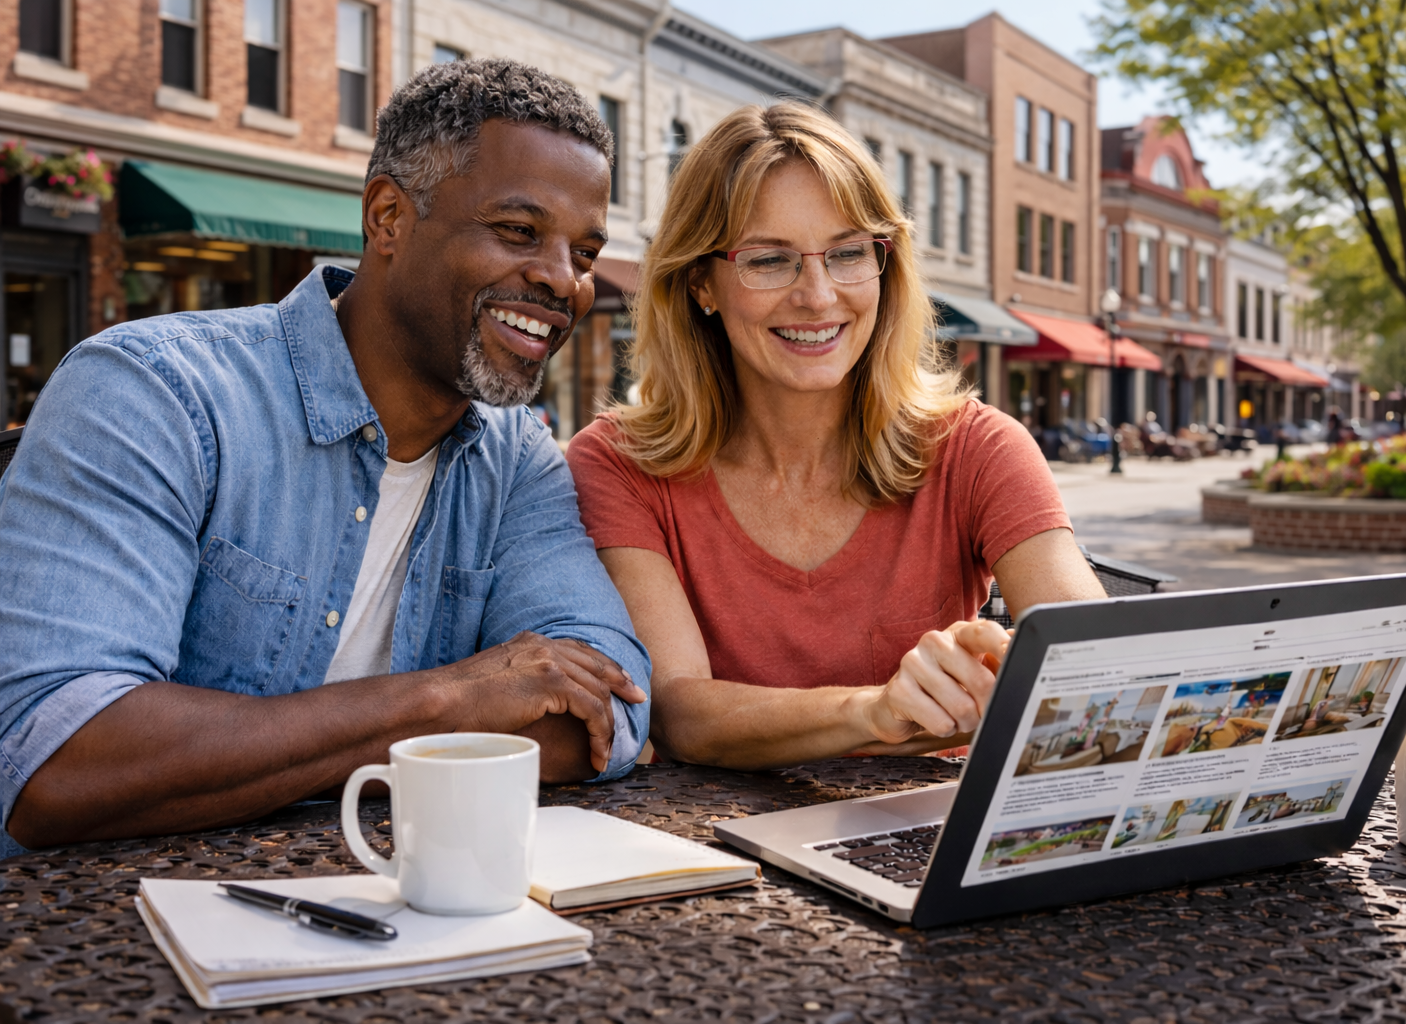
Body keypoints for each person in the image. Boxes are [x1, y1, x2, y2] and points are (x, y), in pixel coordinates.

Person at [0, 59, 649, 857]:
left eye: (585, 253)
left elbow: (610, 714)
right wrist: (450, 701)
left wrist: (256, 755)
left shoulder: (519, 460)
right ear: (387, 218)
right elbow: (54, 764)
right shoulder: (154, 393)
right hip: (98, 936)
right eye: (518, 231)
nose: (563, 279)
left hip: (394, 912)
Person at [566, 104, 1104, 771]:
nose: (818, 297)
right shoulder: (617, 463)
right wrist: (873, 709)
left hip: (928, 838)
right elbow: (679, 710)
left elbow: (1095, 666)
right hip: (716, 849)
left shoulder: (979, 447)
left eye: (849, 253)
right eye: (769, 261)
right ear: (701, 282)